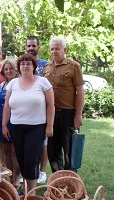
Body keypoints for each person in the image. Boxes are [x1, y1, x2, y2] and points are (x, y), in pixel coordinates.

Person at [2, 53, 54, 194]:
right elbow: (7, 106)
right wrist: (4, 125)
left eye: (28, 63)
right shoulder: (13, 83)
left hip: (36, 127)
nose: (25, 66)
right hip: (17, 127)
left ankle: (32, 192)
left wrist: (50, 126)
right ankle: (26, 188)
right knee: (21, 159)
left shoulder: (43, 82)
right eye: (22, 63)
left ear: (34, 66)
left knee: (31, 159)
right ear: (19, 67)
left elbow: (51, 106)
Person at [43, 37, 85, 172]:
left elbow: (80, 92)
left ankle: (71, 182)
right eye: (52, 49)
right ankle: (58, 180)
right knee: (52, 151)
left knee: (69, 151)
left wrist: (78, 115)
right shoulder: (47, 68)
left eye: (57, 48)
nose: (54, 51)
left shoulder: (74, 67)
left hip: (68, 114)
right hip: (51, 115)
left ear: (64, 50)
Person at [26, 36, 49, 184]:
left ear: (38, 47)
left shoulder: (45, 65)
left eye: (34, 46)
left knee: (43, 143)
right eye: (29, 46)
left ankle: (42, 171)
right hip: (26, 111)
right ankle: (28, 170)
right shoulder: (23, 63)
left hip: (42, 109)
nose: (31, 48)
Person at [0, 59, 21, 188]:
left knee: (16, 151)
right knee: (6, 151)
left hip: (16, 121)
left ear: (16, 69)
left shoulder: (20, 83)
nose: (8, 71)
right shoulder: (2, 85)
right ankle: (9, 177)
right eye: (6, 69)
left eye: (11, 68)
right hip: (1, 121)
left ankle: (17, 178)